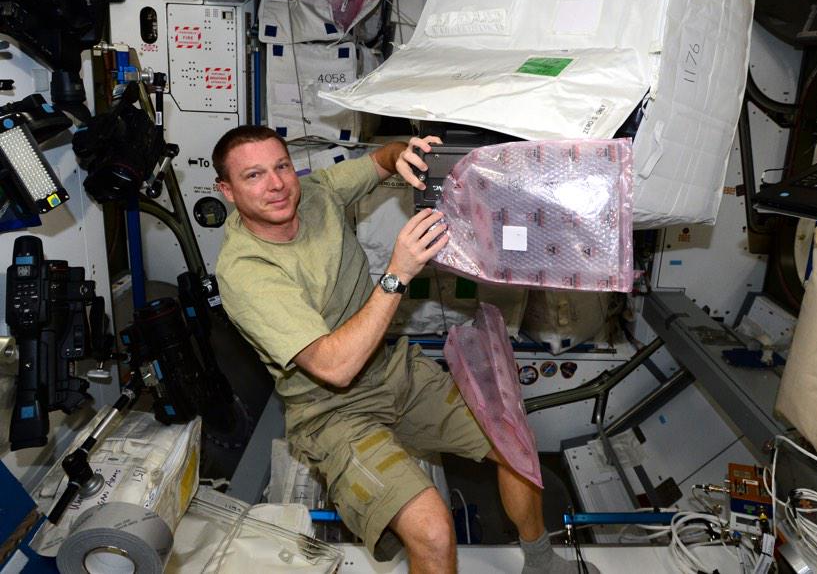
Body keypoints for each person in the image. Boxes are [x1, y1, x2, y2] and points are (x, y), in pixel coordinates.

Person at [212, 126, 597, 574]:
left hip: (392, 371)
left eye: (281, 166)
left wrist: (403, 156)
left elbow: (381, 159)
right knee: (433, 532)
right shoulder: (246, 271)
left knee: (514, 443)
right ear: (227, 191)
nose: (276, 185)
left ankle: (540, 560)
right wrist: (397, 273)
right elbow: (333, 367)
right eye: (254, 176)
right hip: (330, 411)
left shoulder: (316, 193)